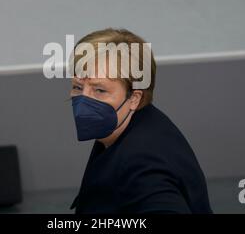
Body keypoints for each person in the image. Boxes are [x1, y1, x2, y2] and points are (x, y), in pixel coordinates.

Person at [69, 28, 212, 214]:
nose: (84, 102)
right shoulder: (127, 127)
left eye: (100, 90)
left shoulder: (143, 161)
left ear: (134, 98)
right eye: (77, 87)